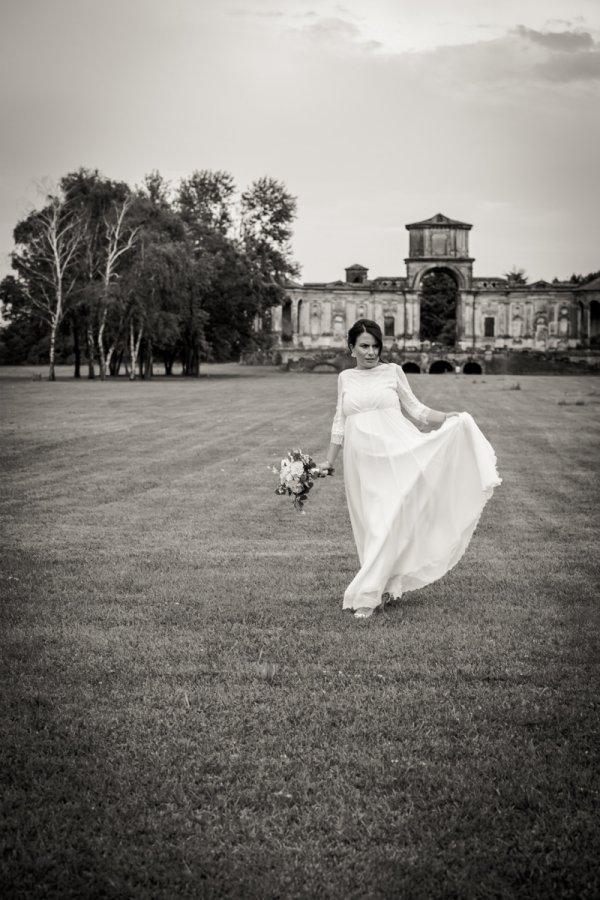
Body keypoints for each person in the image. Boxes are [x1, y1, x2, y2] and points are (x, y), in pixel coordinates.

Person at [319, 319, 501, 619]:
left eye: (376, 346)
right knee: (369, 525)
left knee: (384, 521)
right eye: (364, 346)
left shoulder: (393, 372)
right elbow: (340, 421)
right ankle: (388, 585)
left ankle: (367, 596)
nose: (371, 352)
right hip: (360, 462)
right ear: (351, 347)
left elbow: (416, 409)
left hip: (396, 454)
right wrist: (329, 460)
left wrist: (450, 418)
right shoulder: (345, 378)